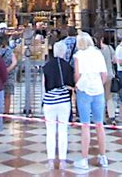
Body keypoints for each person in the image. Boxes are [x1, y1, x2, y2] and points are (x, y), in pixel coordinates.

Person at [73, 32, 109, 170]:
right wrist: (98, 85)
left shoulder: (79, 56)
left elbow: (77, 75)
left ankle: (84, 159)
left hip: (84, 91)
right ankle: (103, 157)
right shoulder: (98, 53)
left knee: (85, 125)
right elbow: (104, 74)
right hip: (98, 91)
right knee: (99, 124)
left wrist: (79, 85)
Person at [42, 40, 74, 170]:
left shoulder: (46, 66)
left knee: (50, 131)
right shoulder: (67, 66)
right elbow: (71, 84)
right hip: (63, 101)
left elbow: (44, 85)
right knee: (63, 131)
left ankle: (50, 160)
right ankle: (62, 160)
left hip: (49, 101)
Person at [96, 33, 116, 125]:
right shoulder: (109, 48)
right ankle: (112, 116)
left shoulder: (95, 50)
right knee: (108, 96)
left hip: (98, 76)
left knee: (100, 97)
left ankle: (102, 117)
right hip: (109, 74)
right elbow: (115, 60)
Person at [0, 36, 18, 114]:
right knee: (7, 96)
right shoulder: (10, 51)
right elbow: (14, 62)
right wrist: (7, 70)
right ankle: (6, 113)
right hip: (9, 76)